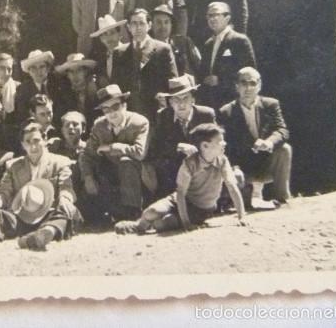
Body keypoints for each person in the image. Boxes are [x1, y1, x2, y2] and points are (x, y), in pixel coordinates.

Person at [115, 123, 247, 235]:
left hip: (201, 209)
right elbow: (181, 193)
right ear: (205, 146)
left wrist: (242, 216)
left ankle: (152, 225)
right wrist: (186, 224)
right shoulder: (189, 163)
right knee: (151, 212)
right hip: (179, 200)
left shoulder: (222, 161)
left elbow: (232, 187)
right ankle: (139, 226)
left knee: (162, 224)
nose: (224, 143)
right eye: (219, 141)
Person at [0, 122, 79, 252]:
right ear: (22, 145)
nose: (33, 146)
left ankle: (44, 235)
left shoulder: (60, 162)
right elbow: (4, 193)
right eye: (28, 142)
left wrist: (65, 199)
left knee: (71, 212)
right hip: (21, 216)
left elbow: (66, 187)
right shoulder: (13, 166)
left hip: (49, 214)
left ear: (44, 140)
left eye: (36, 140)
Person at [219, 67, 292, 209]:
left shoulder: (271, 104)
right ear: (236, 86)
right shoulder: (226, 111)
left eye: (252, 83)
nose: (248, 88)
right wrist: (234, 167)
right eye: (243, 83)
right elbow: (224, 145)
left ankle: (282, 199)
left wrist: (269, 142)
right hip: (242, 169)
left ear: (259, 86)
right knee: (244, 206)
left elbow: (282, 130)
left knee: (284, 149)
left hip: (266, 164)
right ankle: (238, 197)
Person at [79, 84, 151, 223]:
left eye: (115, 107)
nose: (111, 113)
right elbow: (87, 154)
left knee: (126, 161)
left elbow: (139, 152)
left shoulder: (140, 123)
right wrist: (87, 176)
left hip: (138, 178)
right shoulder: (99, 126)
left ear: (124, 105)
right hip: (112, 176)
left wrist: (112, 147)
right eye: (106, 109)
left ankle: (132, 212)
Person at [148, 74, 216, 198]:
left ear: (193, 100)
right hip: (176, 167)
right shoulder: (163, 116)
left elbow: (216, 143)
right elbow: (156, 147)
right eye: (176, 100)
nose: (181, 104)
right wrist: (178, 146)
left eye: (185, 98)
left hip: (202, 164)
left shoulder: (206, 114)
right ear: (170, 102)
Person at [112, 8, 178, 122]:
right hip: (129, 112)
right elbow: (116, 83)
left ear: (149, 25)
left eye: (142, 23)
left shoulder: (162, 49)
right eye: (134, 23)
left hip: (155, 111)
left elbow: (173, 81)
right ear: (128, 27)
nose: (138, 28)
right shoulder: (119, 52)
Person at [198, 2, 257, 109]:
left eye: (216, 14)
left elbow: (250, 72)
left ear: (227, 17)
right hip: (211, 102)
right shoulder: (208, 44)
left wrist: (220, 81)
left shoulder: (239, 40)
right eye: (209, 16)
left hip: (233, 101)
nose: (212, 19)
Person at [150, 5, 201, 78]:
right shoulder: (146, 47)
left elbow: (200, 67)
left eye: (166, 22)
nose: (163, 26)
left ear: (171, 25)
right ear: (151, 25)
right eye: (158, 22)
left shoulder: (184, 42)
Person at [14, 49, 63, 123]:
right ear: (29, 72)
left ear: (48, 68)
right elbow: (22, 116)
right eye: (33, 68)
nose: (38, 71)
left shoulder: (58, 86)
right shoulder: (23, 90)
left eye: (42, 67)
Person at [55, 53, 100, 128]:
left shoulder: (95, 89)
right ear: (67, 75)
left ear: (85, 72)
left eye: (79, 70)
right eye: (71, 72)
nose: (75, 75)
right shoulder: (63, 94)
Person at [89, 14, 128, 89]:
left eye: (112, 33)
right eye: (105, 34)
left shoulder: (128, 51)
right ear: (101, 39)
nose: (109, 37)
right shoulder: (100, 56)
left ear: (119, 34)